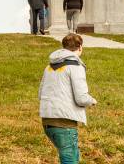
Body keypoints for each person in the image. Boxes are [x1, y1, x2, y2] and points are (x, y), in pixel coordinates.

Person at [39, 33, 97, 164]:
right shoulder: (76, 67)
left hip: (48, 122)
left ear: (63, 47)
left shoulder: (49, 67)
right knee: (70, 160)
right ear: (80, 47)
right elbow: (81, 98)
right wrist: (92, 101)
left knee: (73, 157)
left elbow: (40, 94)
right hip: (65, 124)